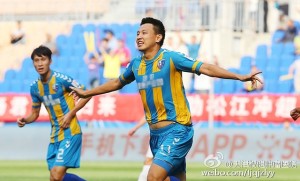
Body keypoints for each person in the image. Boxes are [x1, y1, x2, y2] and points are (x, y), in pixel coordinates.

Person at [70, 17, 262, 181]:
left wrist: (238, 76)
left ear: (158, 37)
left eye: (144, 33)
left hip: (177, 130)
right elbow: (117, 83)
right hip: (155, 136)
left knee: (153, 177)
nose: (139, 36)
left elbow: (205, 68)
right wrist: (87, 93)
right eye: (138, 33)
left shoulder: (170, 58)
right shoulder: (136, 64)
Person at [17, 45, 90, 181]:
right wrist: (25, 120)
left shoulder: (61, 79)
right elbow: (35, 113)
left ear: (50, 61)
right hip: (55, 135)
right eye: (36, 61)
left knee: (56, 175)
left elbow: (87, 94)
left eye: (43, 60)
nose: (40, 64)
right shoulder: (34, 87)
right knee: (55, 178)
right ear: (33, 63)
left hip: (71, 132)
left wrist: (71, 113)